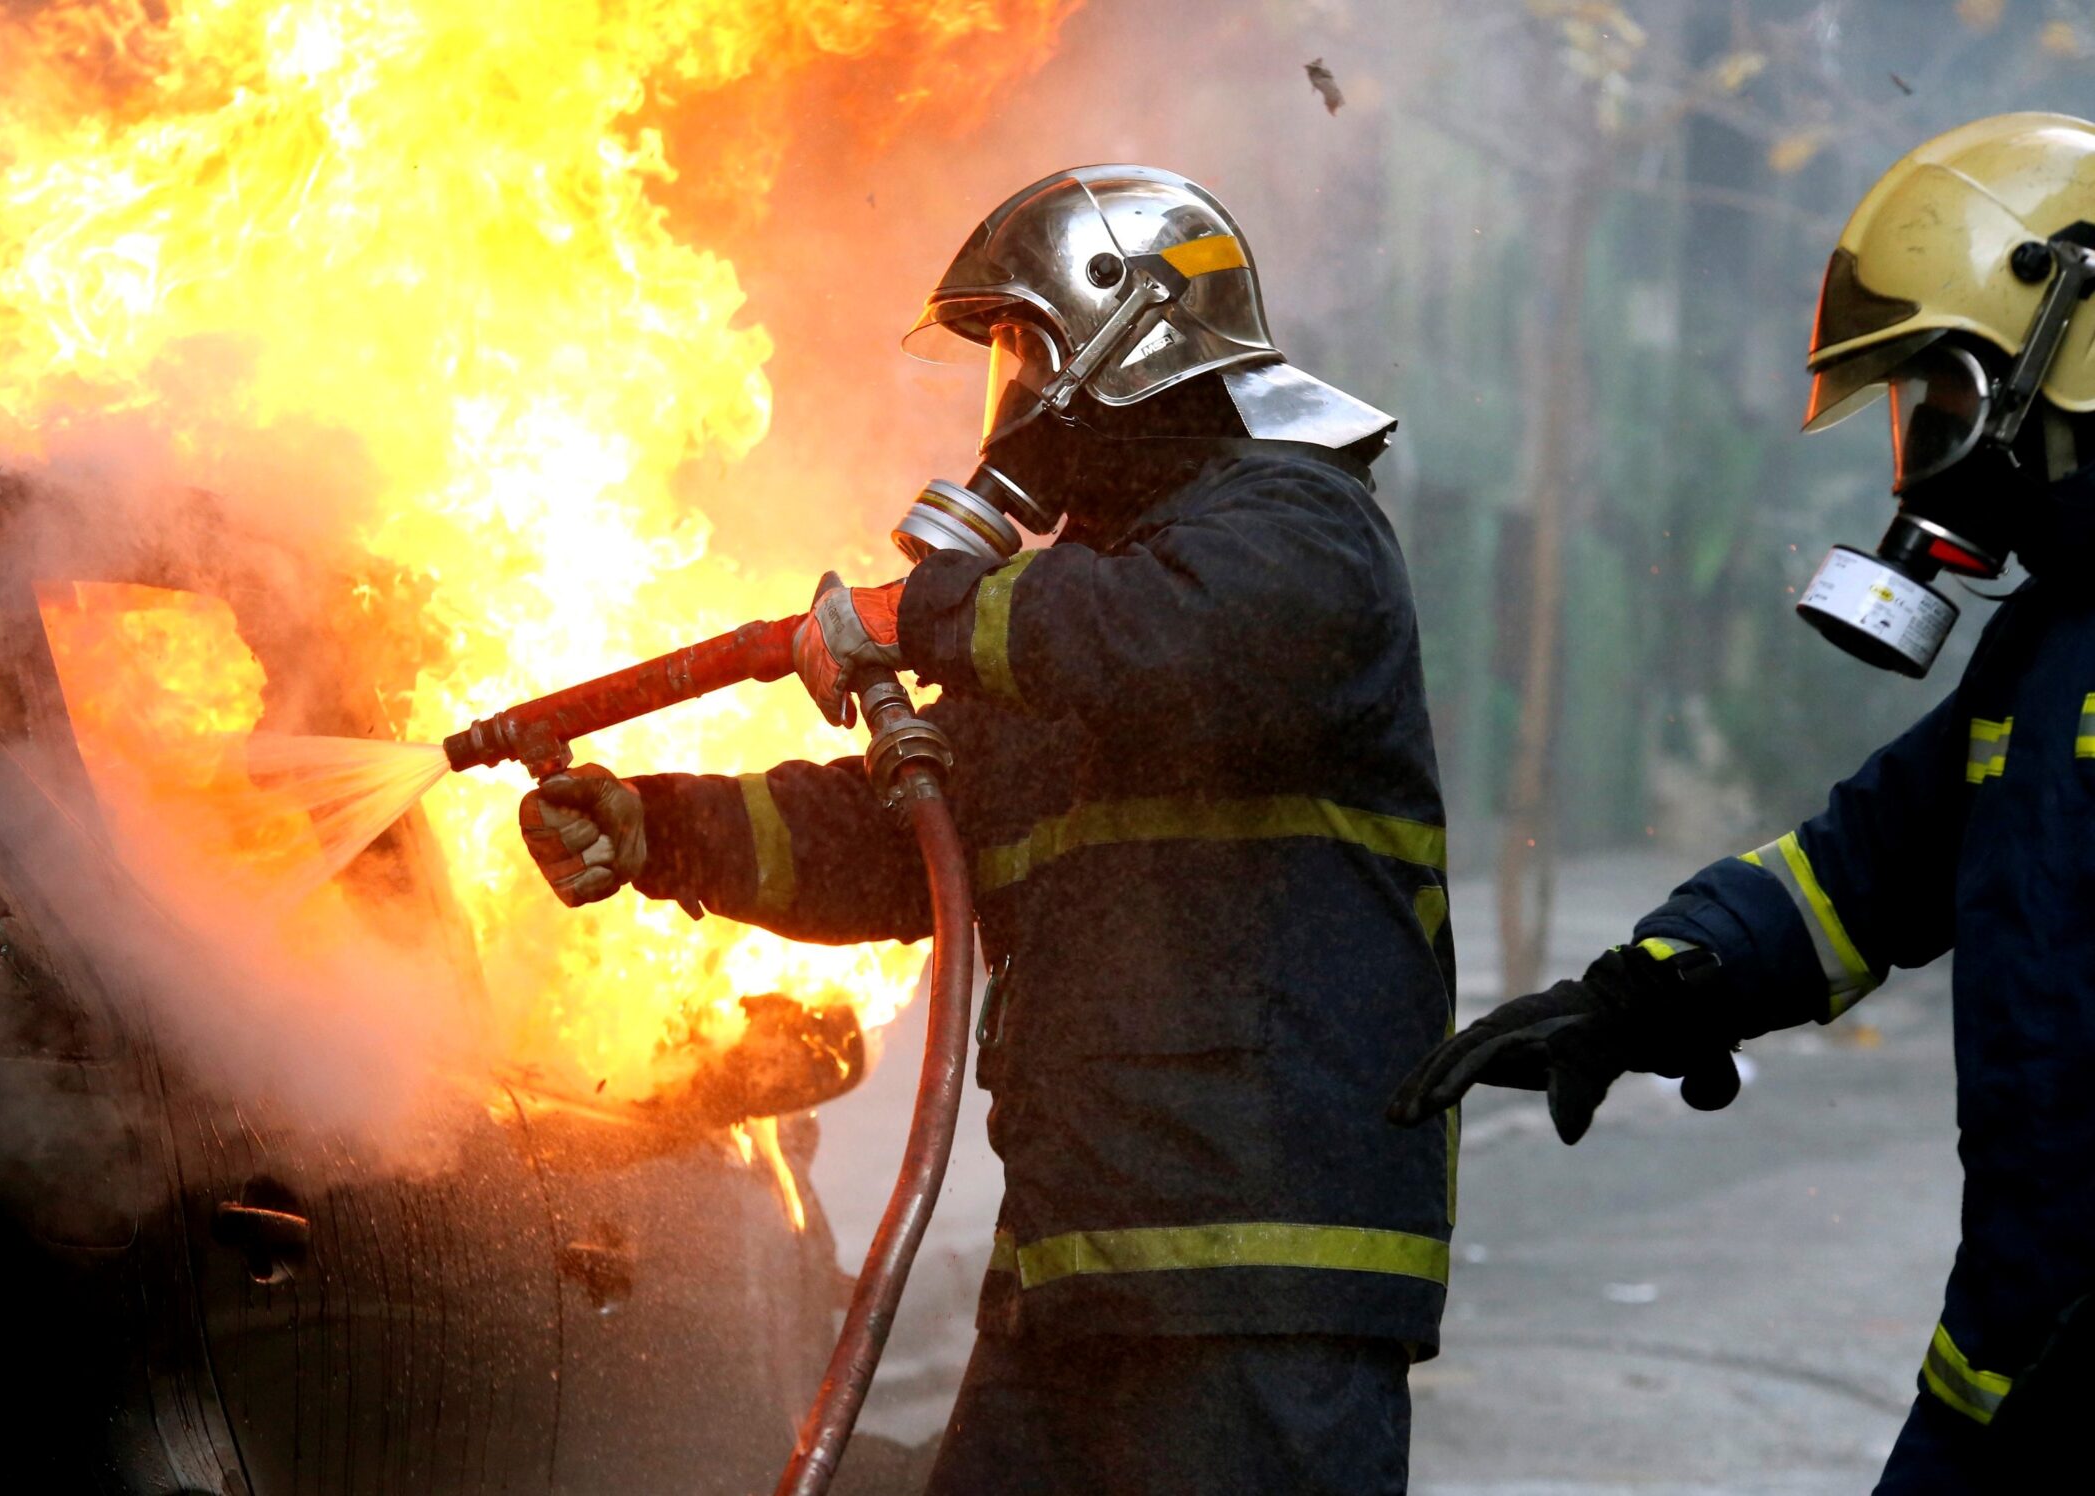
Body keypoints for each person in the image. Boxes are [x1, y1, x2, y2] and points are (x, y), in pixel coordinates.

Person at [520, 165, 1453, 1494]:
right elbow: (902, 833)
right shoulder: (1073, 619)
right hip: (1075, 1284)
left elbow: (1167, 648)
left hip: (1261, 1285)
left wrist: (938, 611)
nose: (1008, 386)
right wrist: (657, 829)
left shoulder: (1298, 532)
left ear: (1120, 334)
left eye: (1020, 341)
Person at [1389, 113, 2095, 1494]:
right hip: (1999, 1381)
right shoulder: (2042, 652)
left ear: (2069, 343)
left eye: (1945, 398)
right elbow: (1859, 874)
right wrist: (1650, 991)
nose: (1924, 457)